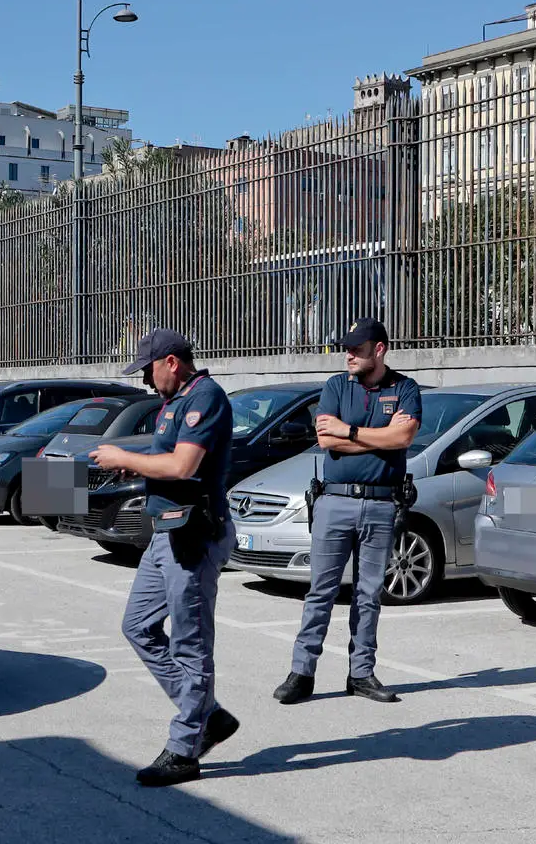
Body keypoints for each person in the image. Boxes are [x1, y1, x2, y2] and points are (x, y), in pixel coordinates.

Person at [91, 328, 239, 787]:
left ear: (172, 362)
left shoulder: (206, 398)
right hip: (165, 533)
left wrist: (125, 457)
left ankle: (184, 748)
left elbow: (182, 466)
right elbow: (164, 456)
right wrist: (126, 458)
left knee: (190, 645)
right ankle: (207, 715)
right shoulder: (173, 402)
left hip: (192, 534)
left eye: (150, 370)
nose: (147, 381)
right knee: (137, 626)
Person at [273, 317, 422, 706]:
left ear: (379, 350)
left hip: (380, 503)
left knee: (369, 594)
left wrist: (351, 432)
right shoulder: (337, 385)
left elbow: (403, 437)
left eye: (357, 348)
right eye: (347, 348)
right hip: (334, 501)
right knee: (320, 591)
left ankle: (361, 673)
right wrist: (378, 439)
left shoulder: (405, 388)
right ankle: (301, 673)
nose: (349, 354)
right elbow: (326, 440)